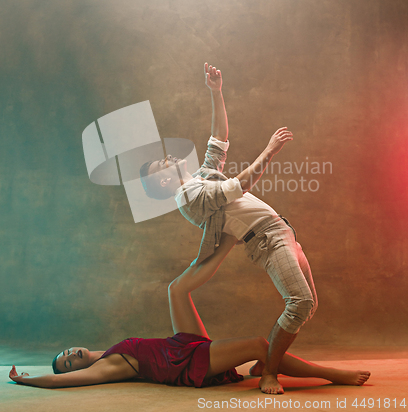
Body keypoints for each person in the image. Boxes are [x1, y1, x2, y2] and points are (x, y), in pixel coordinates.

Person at [140, 63, 318, 394]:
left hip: (282, 231)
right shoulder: (189, 197)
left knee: (309, 305)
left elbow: (218, 140)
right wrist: (270, 150)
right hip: (267, 239)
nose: (168, 159)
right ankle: (269, 374)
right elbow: (239, 185)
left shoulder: (198, 179)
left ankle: (265, 364)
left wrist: (215, 92)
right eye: (161, 164)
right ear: (163, 180)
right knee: (299, 303)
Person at [9, 238, 370, 389]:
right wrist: (27, 381)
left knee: (176, 288)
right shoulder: (106, 367)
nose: (71, 356)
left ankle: (226, 241)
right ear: (79, 369)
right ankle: (330, 375)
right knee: (261, 344)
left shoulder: (105, 352)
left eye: (67, 352)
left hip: (178, 345)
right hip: (185, 364)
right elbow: (60, 382)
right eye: (69, 362)